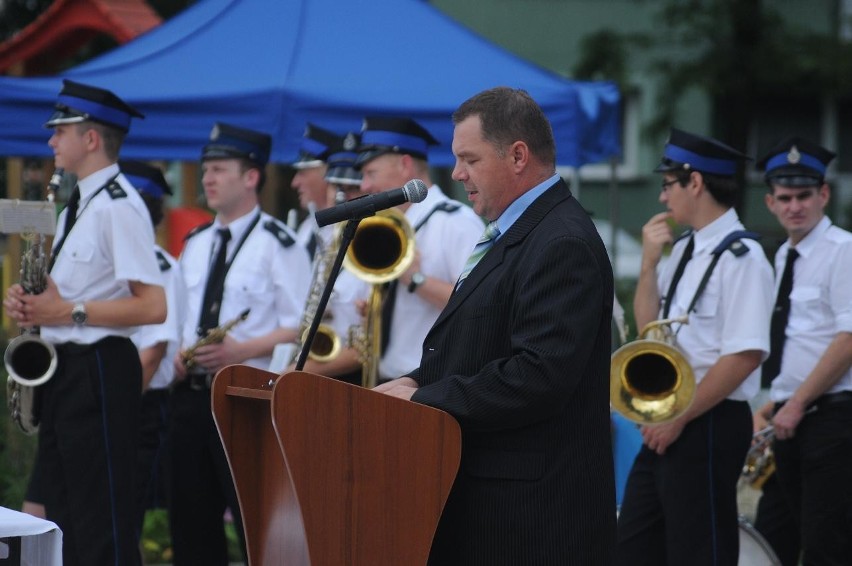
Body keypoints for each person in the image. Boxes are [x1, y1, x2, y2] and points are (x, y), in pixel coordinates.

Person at [375, 86, 616, 564]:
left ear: (518, 156)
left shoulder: (560, 241)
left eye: (469, 159)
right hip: (494, 507)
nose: (458, 173)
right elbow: (481, 347)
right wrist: (412, 380)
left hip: (531, 521)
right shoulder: (517, 232)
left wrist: (422, 398)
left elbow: (537, 376)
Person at [3, 79, 167, 566]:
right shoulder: (82, 201)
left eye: (61, 131)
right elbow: (74, 294)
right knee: (66, 518)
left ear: (90, 139)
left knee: (101, 525)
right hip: (69, 368)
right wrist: (33, 303)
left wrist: (66, 311)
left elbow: (153, 307)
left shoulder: (119, 204)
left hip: (99, 366)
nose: (51, 140)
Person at [615, 128, 774, 565]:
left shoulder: (743, 258)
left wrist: (681, 416)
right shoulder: (686, 249)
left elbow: (745, 354)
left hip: (707, 419)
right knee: (634, 546)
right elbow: (650, 335)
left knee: (698, 549)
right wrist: (648, 265)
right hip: (672, 416)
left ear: (696, 183)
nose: (663, 198)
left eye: (668, 185)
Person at [168, 122, 311, 566]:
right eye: (206, 169)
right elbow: (179, 315)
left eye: (219, 169)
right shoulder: (196, 242)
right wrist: (175, 351)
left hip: (245, 399)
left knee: (256, 523)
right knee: (190, 525)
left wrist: (239, 352)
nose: (207, 178)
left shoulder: (277, 244)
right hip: (190, 397)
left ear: (251, 177)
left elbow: (304, 327)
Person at [754, 136, 852, 565]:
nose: (795, 206)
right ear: (770, 202)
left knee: (825, 543)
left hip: (831, 417)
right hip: (790, 416)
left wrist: (794, 403)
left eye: (804, 195)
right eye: (785, 197)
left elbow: (848, 339)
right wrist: (772, 404)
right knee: (772, 535)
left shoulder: (843, 251)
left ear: (824, 195)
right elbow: (792, 343)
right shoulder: (783, 257)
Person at [355, 116, 483, 383]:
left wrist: (415, 279)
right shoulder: (390, 226)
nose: (364, 187)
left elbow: (477, 306)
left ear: (405, 165)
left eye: (371, 173)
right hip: (386, 379)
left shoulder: (455, 221)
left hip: (427, 386)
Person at [119, 159, 187, 541]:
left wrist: (115, 409)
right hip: (104, 401)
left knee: (122, 524)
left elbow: (152, 352)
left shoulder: (158, 263)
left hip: (136, 402)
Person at [289, 123, 339, 260]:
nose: (295, 183)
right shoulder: (306, 227)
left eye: (302, 173)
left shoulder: (345, 230)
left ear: (327, 175)